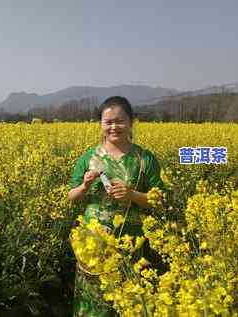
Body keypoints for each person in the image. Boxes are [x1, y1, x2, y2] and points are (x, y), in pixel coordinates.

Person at [67, 96, 165, 316]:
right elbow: (71, 196)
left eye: (119, 121)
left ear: (131, 122)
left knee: (128, 299)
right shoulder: (89, 157)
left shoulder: (144, 159)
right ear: (101, 124)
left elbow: (160, 200)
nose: (114, 127)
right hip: (93, 243)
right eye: (108, 122)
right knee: (93, 302)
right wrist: (84, 186)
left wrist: (133, 195)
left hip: (130, 242)